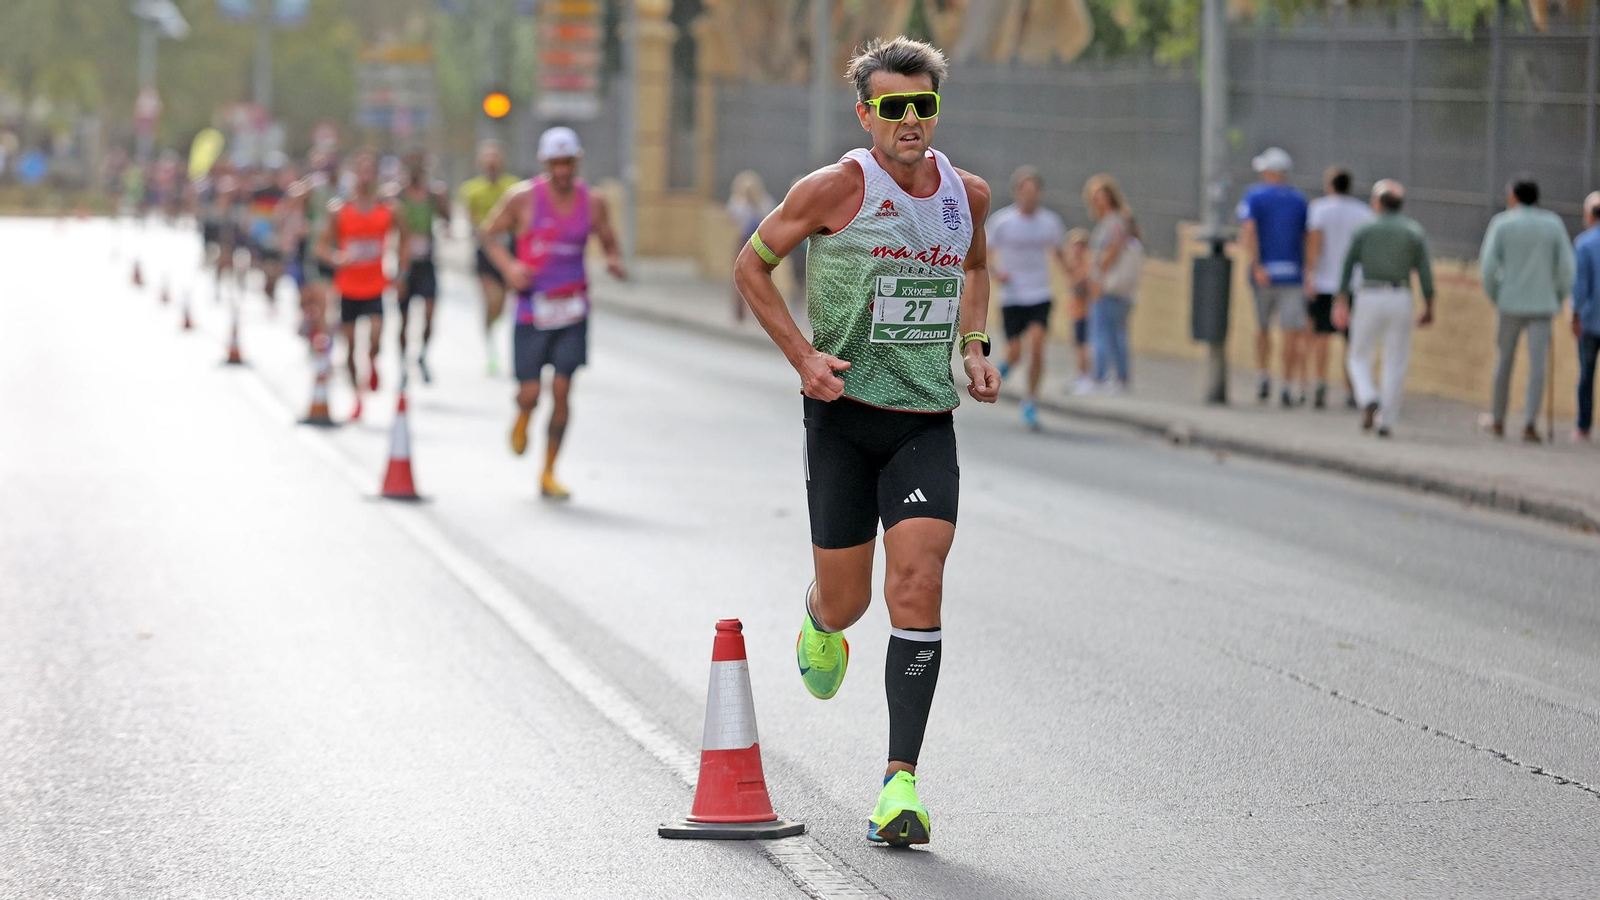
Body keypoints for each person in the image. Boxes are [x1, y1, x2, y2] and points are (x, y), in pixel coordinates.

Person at [730, 36, 1000, 848]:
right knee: (849, 600)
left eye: (923, 105)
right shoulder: (835, 188)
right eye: (893, 107)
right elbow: (752, 265)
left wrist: (974, 347)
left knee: (916, 585)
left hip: (923, 420)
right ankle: (819, 617)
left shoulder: (968, 195)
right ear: (866, 114)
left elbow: (977, 268)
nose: (910, 120)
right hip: (843, 416)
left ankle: (899, 787)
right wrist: (804, 357)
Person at [480, 127, 624, 500]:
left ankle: (548, 472)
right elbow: (488, 234)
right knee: (530, 392)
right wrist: (509, 267)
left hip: (573, 308)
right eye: (556, 163)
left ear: (578, 162)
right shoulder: (523, 198)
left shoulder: (593, 202)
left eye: (569, 163)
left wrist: (613, 259)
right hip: (532, 308)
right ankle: (523, 415)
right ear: (545, 163)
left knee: (562, 390)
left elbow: (608, 238)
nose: (562, 171)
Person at [1480, 175, 1577, 444]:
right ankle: (1529, 423)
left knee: (1504, 361)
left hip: (1509, 303)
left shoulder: (1502, 224)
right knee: (1538, 367)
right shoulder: (1552, 224)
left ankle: (1498, 419)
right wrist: (1557, 296)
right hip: (1542, 306)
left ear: (1513, 196)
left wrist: (1496, 295)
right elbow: (1567, 269)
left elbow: (1487, 268)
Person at [1334, 180, 1434, 438]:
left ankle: (1367, 396)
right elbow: (1424, 271)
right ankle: (1385, 421)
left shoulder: (1365, 229)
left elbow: (1347, 266)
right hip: (1400, 295)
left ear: (1377, 203)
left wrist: (1341, 298)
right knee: (1396, 360)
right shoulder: (1413, 231)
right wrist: (1430, 303)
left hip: (1369, 294)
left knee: (1358, 355)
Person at [315, 149, 410, 422]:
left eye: (371, 171)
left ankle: (373, 362)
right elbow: (321, 244)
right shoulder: (339, 210)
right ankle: (357, 397)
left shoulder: (390, 210)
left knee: (376, 339)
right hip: (347, 287)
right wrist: (335, 257)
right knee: (349, 346)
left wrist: (401, 273)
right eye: (361, 171)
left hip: (376, 285)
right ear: (353, 175)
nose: (366, 176)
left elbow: (405, 240)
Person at [987, 165, 1068, 428]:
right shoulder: (1002, 222)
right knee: (1014, 352)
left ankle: (1030, 401)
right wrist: (996, 272)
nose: (1030, 197)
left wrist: (1074, 277)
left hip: (1039, 293)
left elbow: (1060, 253)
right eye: (1025, 192)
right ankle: (1007, 364)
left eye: (1034, 192)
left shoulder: (1050, 222)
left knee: (1037, 345)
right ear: (1016, 193)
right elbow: (984, 254)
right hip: (1012, 295)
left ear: (1040, 194)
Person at [1237, 147, 1310, 406]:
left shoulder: (1254, 196)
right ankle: (1287, 385)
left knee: (1262, 328)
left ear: (1270, 172)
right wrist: (1307, 271)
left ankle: (1263, 375)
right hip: (1293, 274)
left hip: (1264, 274)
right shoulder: (1299, 199)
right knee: (1291, 332)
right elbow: (1307, 237)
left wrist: (1257, 265)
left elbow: (1249, 230)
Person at [1304, 166, 1374, 410]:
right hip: (1354, 284)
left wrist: (1310, 274)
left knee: (1322, 335)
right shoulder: (1363, 212)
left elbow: (1315, 243)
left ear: (1329, 184)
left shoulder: (1319, 209)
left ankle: (1320, 383)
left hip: (1325, 282)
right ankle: (1352, 389)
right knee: (1352, 341)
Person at [459, 140, 522, 376]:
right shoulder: (471, 190)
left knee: (503, 305)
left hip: (510, 249)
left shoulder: (515, 187)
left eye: (496, 159)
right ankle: (489, 343)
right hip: (485, 251)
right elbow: (472, 221)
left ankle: (492, 330)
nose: (492, 164)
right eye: (488, 160)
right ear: (481, 163)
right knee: (492, 300)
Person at [394, 150, 450, 384]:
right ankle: (402, 364)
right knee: (404, 319)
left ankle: (422, 355)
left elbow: (447, 218)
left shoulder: (433, 195)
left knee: (429, 314)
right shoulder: (397, 196)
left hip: (427, 262)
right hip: (405, 264)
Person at [1085, 173, 1142, 393]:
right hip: (1117, 287)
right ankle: (1120, 377)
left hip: (1110, 286)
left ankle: (1100, 377)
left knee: (1103, 331)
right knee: (1116, 331)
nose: (1099, 201)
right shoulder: (1117, 220)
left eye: (1102, 196)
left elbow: (1113, 250)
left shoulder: (1114, 221)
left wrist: (1098, 279)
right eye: (1095, 197)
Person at [727, 170, 776, 322]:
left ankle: (764, 314)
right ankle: (739, 312)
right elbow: (734, 217)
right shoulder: (738, 203)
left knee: (761, 278)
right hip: (743, 241)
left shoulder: (764, 201)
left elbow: (769, 216)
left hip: (760, 243)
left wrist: (755, 203)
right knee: (740, 276)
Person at [1572, 191, 1600, 442]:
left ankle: (1583, 427)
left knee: (1586, 374)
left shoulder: (1584, 243)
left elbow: (1580, 287)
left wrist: (1574, 314)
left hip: (1591, 320)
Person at [1064, 229, 1093, 392]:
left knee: (1082, 345)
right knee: (1077, 345)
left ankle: (1084, 375)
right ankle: (1080, 374)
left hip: (1084, 311)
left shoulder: (1086, 267)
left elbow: (1081, 288)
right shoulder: (1074, 265)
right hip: (1075, 310)